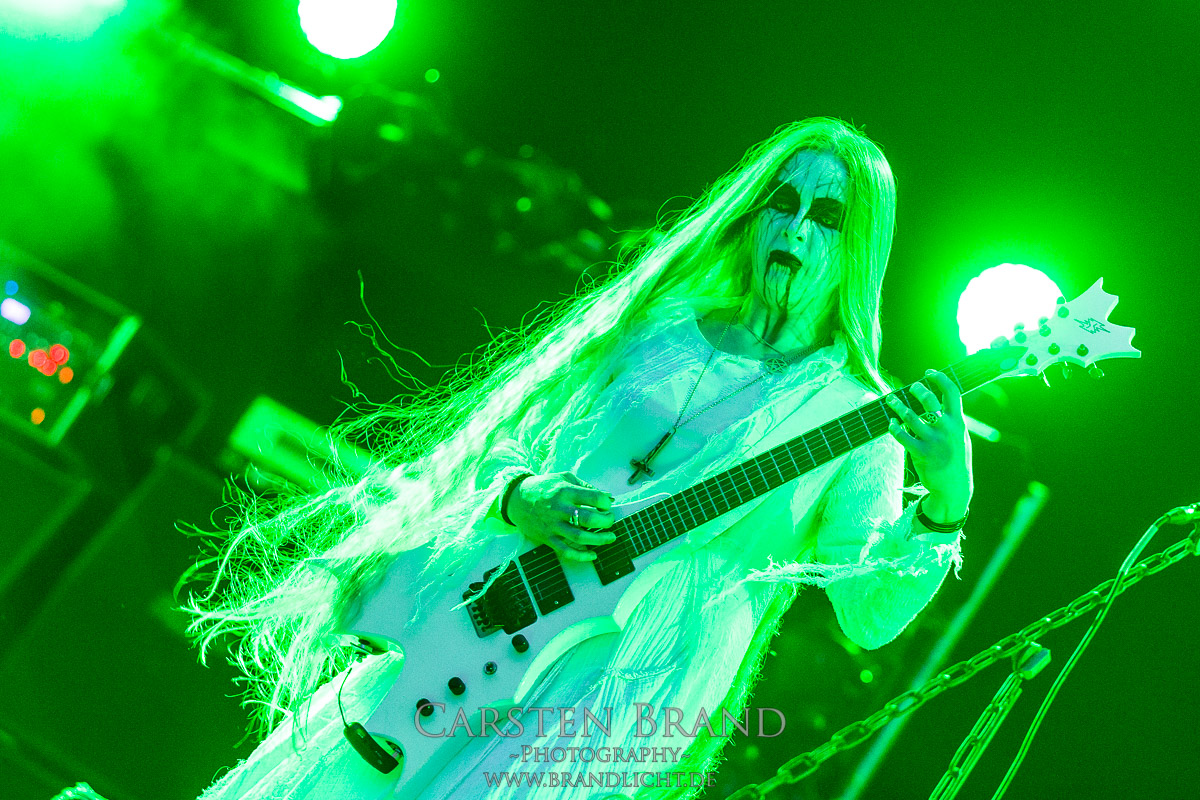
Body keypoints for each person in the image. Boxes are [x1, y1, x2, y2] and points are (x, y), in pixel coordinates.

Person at [186, 116, 971, 800]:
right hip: (490, 633)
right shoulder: (660, 328)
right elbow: (509, 441)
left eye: (827, 216)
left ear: (858, 247)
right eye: (783, 202)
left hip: (614, 709)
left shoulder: (857, 418)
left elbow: (867, 612)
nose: (795, 230)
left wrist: (944, 499)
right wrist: (521, 495)